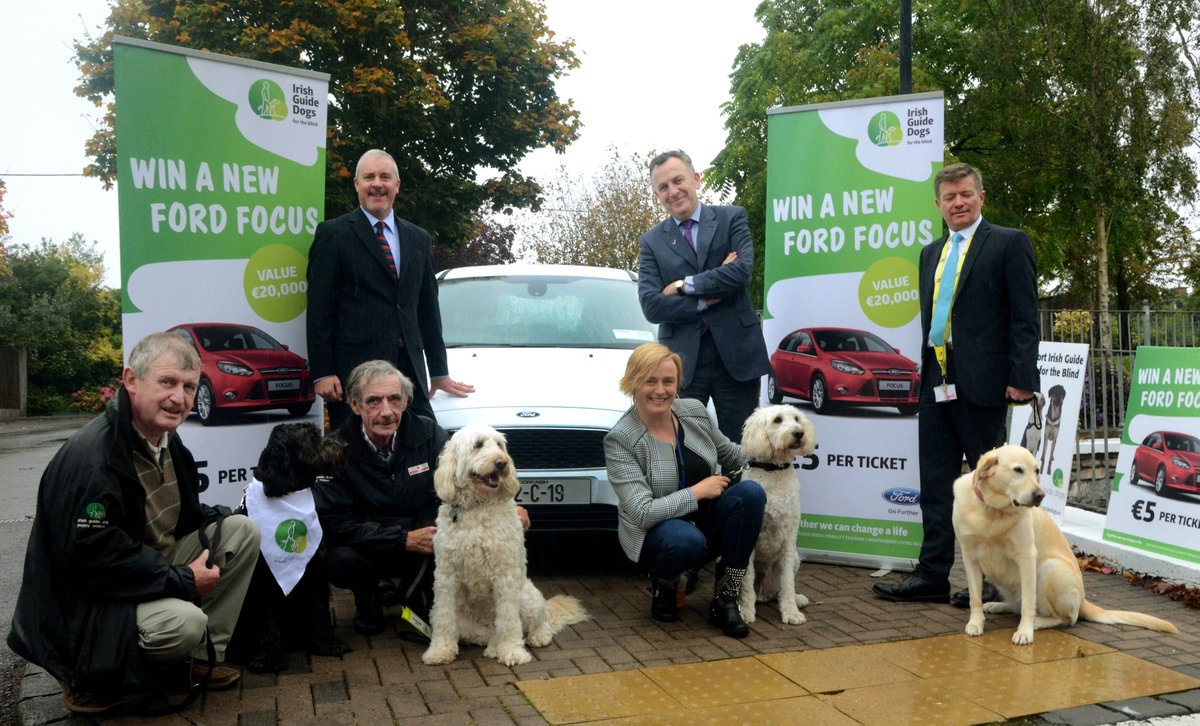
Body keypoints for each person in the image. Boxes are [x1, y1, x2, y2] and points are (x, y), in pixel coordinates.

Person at [7, 332, 261, 715]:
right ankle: (85, 676)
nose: (179, 398)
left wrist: (227, 517)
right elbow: (93, 561)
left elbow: (186, 517)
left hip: (143, 570)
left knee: (241, 532)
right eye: (167, 382)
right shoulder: (94, 460)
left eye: (189, 387)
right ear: (131, 380)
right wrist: (182, 580)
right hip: (87, 604)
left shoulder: (166, 439)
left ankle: (190, 662)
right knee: (185, 623)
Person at [873, 162, 1040, 605]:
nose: (958, 203)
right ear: (938, 204)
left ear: (981, 197)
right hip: (936, 382)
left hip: (985, 385)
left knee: (992, 488)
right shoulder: (930, 253)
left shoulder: (1009, 243)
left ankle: (993, 583)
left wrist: (1022, 378)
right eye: (950, 197)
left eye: (966, 194)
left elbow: (1025, 317)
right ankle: (931, 576)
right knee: (935, 484)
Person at [313, 359, 531, 636]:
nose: (386, 411)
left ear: (406, 401)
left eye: (395, 399)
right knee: (338, 559)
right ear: (355, 405)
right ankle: (368, 597)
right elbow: (334, 523)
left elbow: (463, 483)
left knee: (445, 540)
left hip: (423, 543)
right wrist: (402, 538)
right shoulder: (334, 449)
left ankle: (413, 595)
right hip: (367, 545)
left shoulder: (428, 433)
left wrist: (509, 507)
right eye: (373, 401)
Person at [604, 342, 766, 638]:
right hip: (658, 532)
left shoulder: (694, 412)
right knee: (685, 541)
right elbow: (642, 513)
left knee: (752, 494)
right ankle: (666, 585)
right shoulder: (620, 440)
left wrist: (774, 450)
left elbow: (732, 454)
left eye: (668, 381)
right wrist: (697, 492)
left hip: (703, 519)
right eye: (650, 381)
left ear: (678, 384)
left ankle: (725, 598)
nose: (660, 390)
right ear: (633, 383)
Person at [306, 148, 473, 429]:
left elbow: (428, 310)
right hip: (355, 374)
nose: (377, 184)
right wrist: (323, 372)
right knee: (358, 452)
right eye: (368, 177)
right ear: (356, 184)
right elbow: (319, 310)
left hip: (410, 372)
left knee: (423, 443)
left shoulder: (419, 238)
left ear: (397, 185)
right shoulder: (333, 234)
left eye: (384, 177)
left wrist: (439, 371)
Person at [636, 150, 771, 444]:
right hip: (681, 363)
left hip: (737, 357)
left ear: (696, 179)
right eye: (663, 187)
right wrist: (705, 299)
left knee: (742, 448)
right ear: (657, 195)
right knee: (686, 450)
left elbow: (741, 273)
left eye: (678, 180)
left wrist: (682, 285)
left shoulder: (731, 218)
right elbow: (651, 305)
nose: (673, 191)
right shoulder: (651, 242)